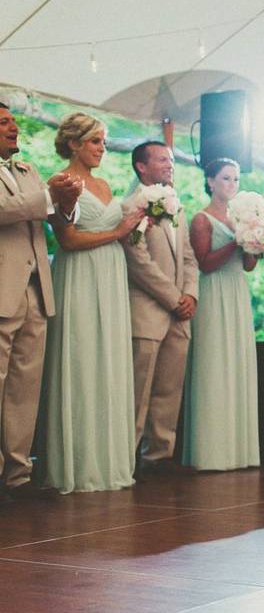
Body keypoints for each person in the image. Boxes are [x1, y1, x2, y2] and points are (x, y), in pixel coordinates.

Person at [43, 113, 143, 493]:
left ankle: (111, 460)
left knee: (110, 361)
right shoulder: (60, 182)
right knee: (82, 358)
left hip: (111, 274)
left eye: (103, 141)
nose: (102, 148)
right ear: (73, 144)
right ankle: (78, 464)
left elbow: (117, 231)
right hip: (80, 275)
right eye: (95, 141)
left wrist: (133, 228)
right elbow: (66, 241)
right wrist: (117, 231)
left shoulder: (103, 183)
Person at [0, 103, 81, 501]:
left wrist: (65, 201)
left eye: (13, 121)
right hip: (2, 289)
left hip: (36, 289)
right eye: (4, 123)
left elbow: (56, 220)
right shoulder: (33, 183)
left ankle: (19, 475)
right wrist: (47, 197)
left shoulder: (28, 171)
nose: (13, 128)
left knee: (24, 387)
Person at [123, 141, 199, 474]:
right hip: (148, 309)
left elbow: (188, 256)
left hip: (179, 312)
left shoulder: (176, 205)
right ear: (142, 166)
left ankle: (160, 455)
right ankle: (127, 458)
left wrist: (191, 295)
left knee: (170, 387)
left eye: (171, 159)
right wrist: (173, 298)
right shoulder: (131, 205)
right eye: (162, 159)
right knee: (139, 390)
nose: (170, 164)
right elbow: (137, 260)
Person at [181, 159, 260, 471]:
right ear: (211, 181)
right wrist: (236, 241)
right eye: (226, 178)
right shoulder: (202, 219)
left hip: (237, 291)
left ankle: (239, 449)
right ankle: (210, 451)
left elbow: (249, 266)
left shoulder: (242, 217)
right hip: (213, 292)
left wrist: (255, 244)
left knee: (237, 363)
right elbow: (204, 263)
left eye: (236, 179)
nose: (232, 184)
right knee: (214, 363)